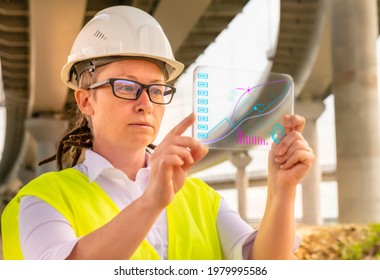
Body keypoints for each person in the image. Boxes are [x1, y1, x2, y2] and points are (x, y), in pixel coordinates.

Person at [1, 6, 314, 260]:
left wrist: (282, 190)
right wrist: (152, 201)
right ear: (85, 100)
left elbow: (266, 266)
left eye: (156, 89)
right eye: (125, 87)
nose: (145, 104)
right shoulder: (41, 200)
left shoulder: (202, 199)